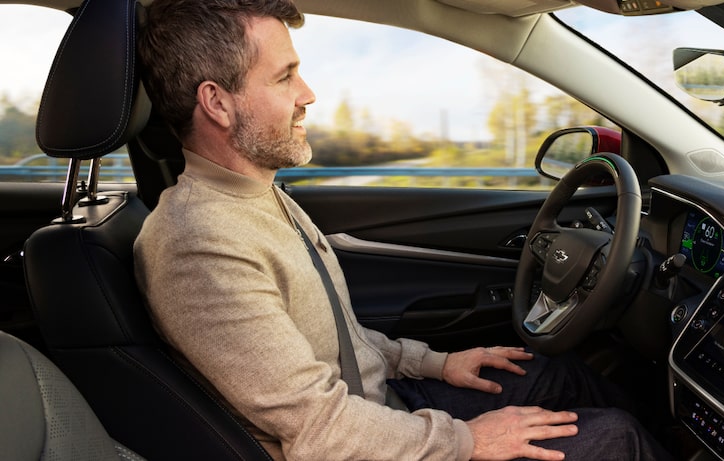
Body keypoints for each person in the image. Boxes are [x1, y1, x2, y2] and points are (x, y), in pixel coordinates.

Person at [134, 0, 669, 460]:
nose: (308, 94)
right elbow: (318, 431)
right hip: (357, 441)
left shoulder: (256, 194)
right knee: (615, 439)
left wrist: (435, 363)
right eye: (284, 76)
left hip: (381, 410)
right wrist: (467, 442)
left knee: (557, 372)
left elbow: (337, 340)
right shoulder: (198, 243)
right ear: (217, 103)